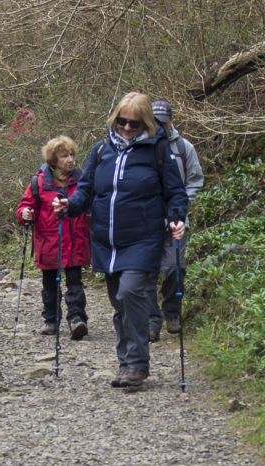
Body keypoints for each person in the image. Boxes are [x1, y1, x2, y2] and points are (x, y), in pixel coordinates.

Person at [53, 92, 188, 387]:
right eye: (122, 122)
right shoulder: (102, 150)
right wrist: (70, 204)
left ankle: (137, 364)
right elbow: (86, 188)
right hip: (106, 241)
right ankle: (126, 362)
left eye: (134, 124)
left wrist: (177, 218)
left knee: (129, 294)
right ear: (115, 119)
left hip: (144, 239)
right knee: (119, 303)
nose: (127, 128)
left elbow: (176, 192)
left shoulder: (158, 151)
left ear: (146, 124)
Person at [16, 136, 91, 340]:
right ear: (53, 160)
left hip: (75, 240)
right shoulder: (39, 182)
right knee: (49, 285)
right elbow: (25, 205)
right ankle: (51, 319)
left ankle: (76, 319)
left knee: (75, 283)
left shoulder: (82, 179)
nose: (70, 159)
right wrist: (25, 213)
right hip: (48, 241)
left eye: (71, 155)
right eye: (64, 156)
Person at [148, 100, 204, 342]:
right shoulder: (142, 147)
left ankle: (172, 313)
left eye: (163, 121)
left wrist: (180, 205)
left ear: (171, 120)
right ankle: (152, 322)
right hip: (147, 221)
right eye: (155, 121)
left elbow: (195, 179)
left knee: (175, 268)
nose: (160, 125)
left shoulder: (184, 148)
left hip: (176, 221)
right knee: (146, 273)